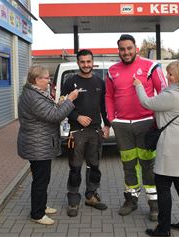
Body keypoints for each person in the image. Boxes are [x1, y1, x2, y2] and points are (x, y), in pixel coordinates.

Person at [105, 34, 167, 221]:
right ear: (119, 51)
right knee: (128, 165)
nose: (126, 52)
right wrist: (111, 119)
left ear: (136, 47)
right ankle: (131, 200)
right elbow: (108, 96)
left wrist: (157, 120)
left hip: (146, 123)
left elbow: (163, 93)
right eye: (122, 49)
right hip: (122, 126)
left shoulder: (150, 66)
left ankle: (154, 205)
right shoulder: (112, 70)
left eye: (129, 48)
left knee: (148, 166)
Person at [133, 59, 179, 237]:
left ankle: (163, 229)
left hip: (172, 145)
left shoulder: (171, 95)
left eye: (170, 74)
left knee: (163, 185)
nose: (167, 76)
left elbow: (146, 102)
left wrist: (138, 85)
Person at [17, 64, 78, 225]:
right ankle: (37, 214)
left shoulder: (35, 92)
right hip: (37, 145)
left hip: (40, 143)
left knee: (43, 178)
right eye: (46, 78)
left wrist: (61, 103)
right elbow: (54, 116)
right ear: (36, 79)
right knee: (40, 180)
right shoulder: (33, 97)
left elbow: (49, 111)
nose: (49, 80)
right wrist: (70, 100)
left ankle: (41, 206)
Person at [61, 49, 110, 217]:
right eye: (82, 62)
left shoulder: (99, 82)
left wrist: (107, 125)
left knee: (94, 166)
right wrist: (77, 116)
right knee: (75, 167)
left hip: (96, 131)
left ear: (92, 61)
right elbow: (62, 106)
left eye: (88, 61)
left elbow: (104, 106)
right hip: (77, 132)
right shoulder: (70, 82)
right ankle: (73, 200)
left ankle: (91, 196)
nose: (86, 65)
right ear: (78, 63)